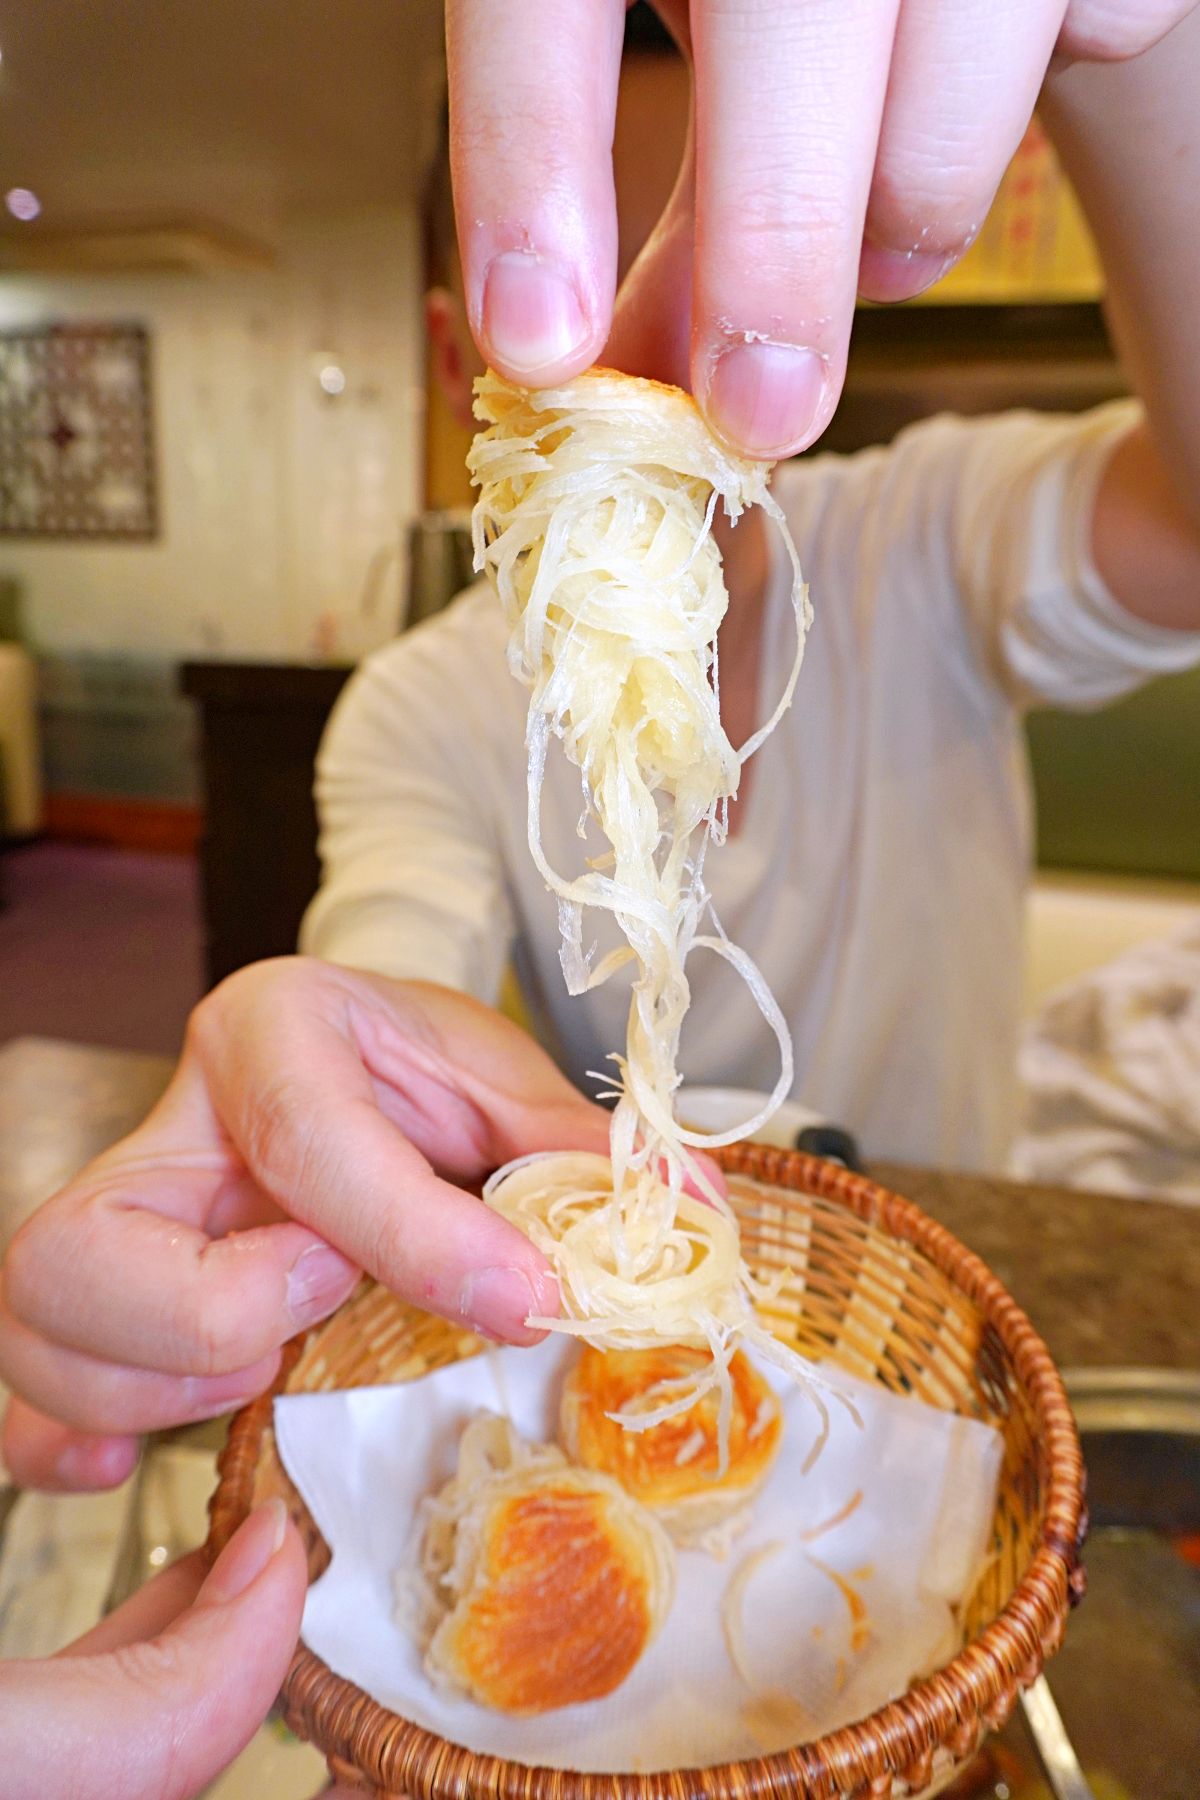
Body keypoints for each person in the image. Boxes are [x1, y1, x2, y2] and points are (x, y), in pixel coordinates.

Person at [3, 7, 1200, 1790]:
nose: (674, 379)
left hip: (953, 1363)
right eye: (604, 323)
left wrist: (1152, 62)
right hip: (621, 1339)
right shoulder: (427, 700)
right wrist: (302, 1053)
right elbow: (386, 977)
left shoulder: (921, 551)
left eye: (724, 286)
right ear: (460, 351)